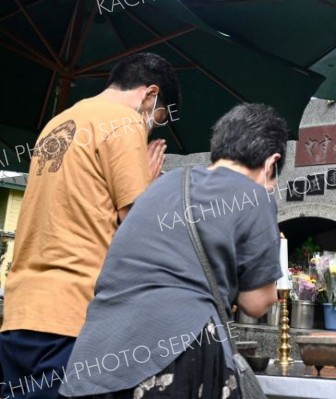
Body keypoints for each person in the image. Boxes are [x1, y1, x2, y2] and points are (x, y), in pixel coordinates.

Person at [57, 103, 285, 399]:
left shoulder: (162, 186)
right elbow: (256, 303)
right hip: (176, 354)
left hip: (94, 356)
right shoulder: (254, 195)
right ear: (271, 163)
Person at [0, 52, 180, 399]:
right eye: (156, 119)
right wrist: (148, 178)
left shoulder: (58, 124)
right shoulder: (125, 121)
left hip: (21, 314)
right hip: (71, 317)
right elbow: (140, 234)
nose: (151, 127)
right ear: (149, 94)